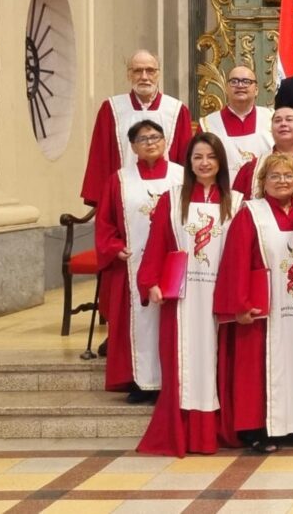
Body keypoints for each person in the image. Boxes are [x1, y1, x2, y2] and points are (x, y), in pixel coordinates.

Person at [135, 133, 241, 456]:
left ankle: (214, 431)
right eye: (197, 157)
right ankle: (182, 432)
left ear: (220, 161)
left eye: (210, 157)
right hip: (181, 296)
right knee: (182, 360)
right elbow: (157, 244)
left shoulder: (235, 201)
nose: (204, 163)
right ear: (188, 162)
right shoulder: (172, 199)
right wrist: (150, 281)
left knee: (217, 360)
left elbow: (243, 253)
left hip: (220, 294)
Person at [214, 154, 293, 453]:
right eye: (274, 176)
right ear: (262, 182)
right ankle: (257, 429)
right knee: (258, 368)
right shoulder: (251, 213)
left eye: (288, 176)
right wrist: (240, 303)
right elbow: (236, 261)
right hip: (264, 307)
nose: (282, 181)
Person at [95, 120, 185, 403]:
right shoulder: (119, 180)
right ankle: (140, 382)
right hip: (132, 263)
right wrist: (114, 247)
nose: (150, 142)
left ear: (166, 140)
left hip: (174, 262)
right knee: (138, 323)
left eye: (155, 136)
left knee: (172, 321)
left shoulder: (181, 176)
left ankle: (173, 381)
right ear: (132, 146)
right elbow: (105, 222)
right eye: (143, 138)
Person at [80, 50, 192, 206]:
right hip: (123, 196)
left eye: (150, 71)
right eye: (138, 71)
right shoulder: (112, 109)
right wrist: (104, 201)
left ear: (158, 74)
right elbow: (100, 158)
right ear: (128, 75)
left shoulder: (176, 110)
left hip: (168, 198)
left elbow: (185, 159)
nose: (144, 76)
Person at [198, 66, 274, 183]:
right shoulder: (207, 124)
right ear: (226, 88)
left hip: (265, 194)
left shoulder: (272, 118)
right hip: (224, 195)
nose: (240, 85)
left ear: (257, 90)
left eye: (246, 81)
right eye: (234, 81)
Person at [232, 107, 293, 198]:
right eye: (277, 120)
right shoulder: (252, 167)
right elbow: (235, 206)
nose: (283, 124)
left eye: (289, 119)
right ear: (271, 129)